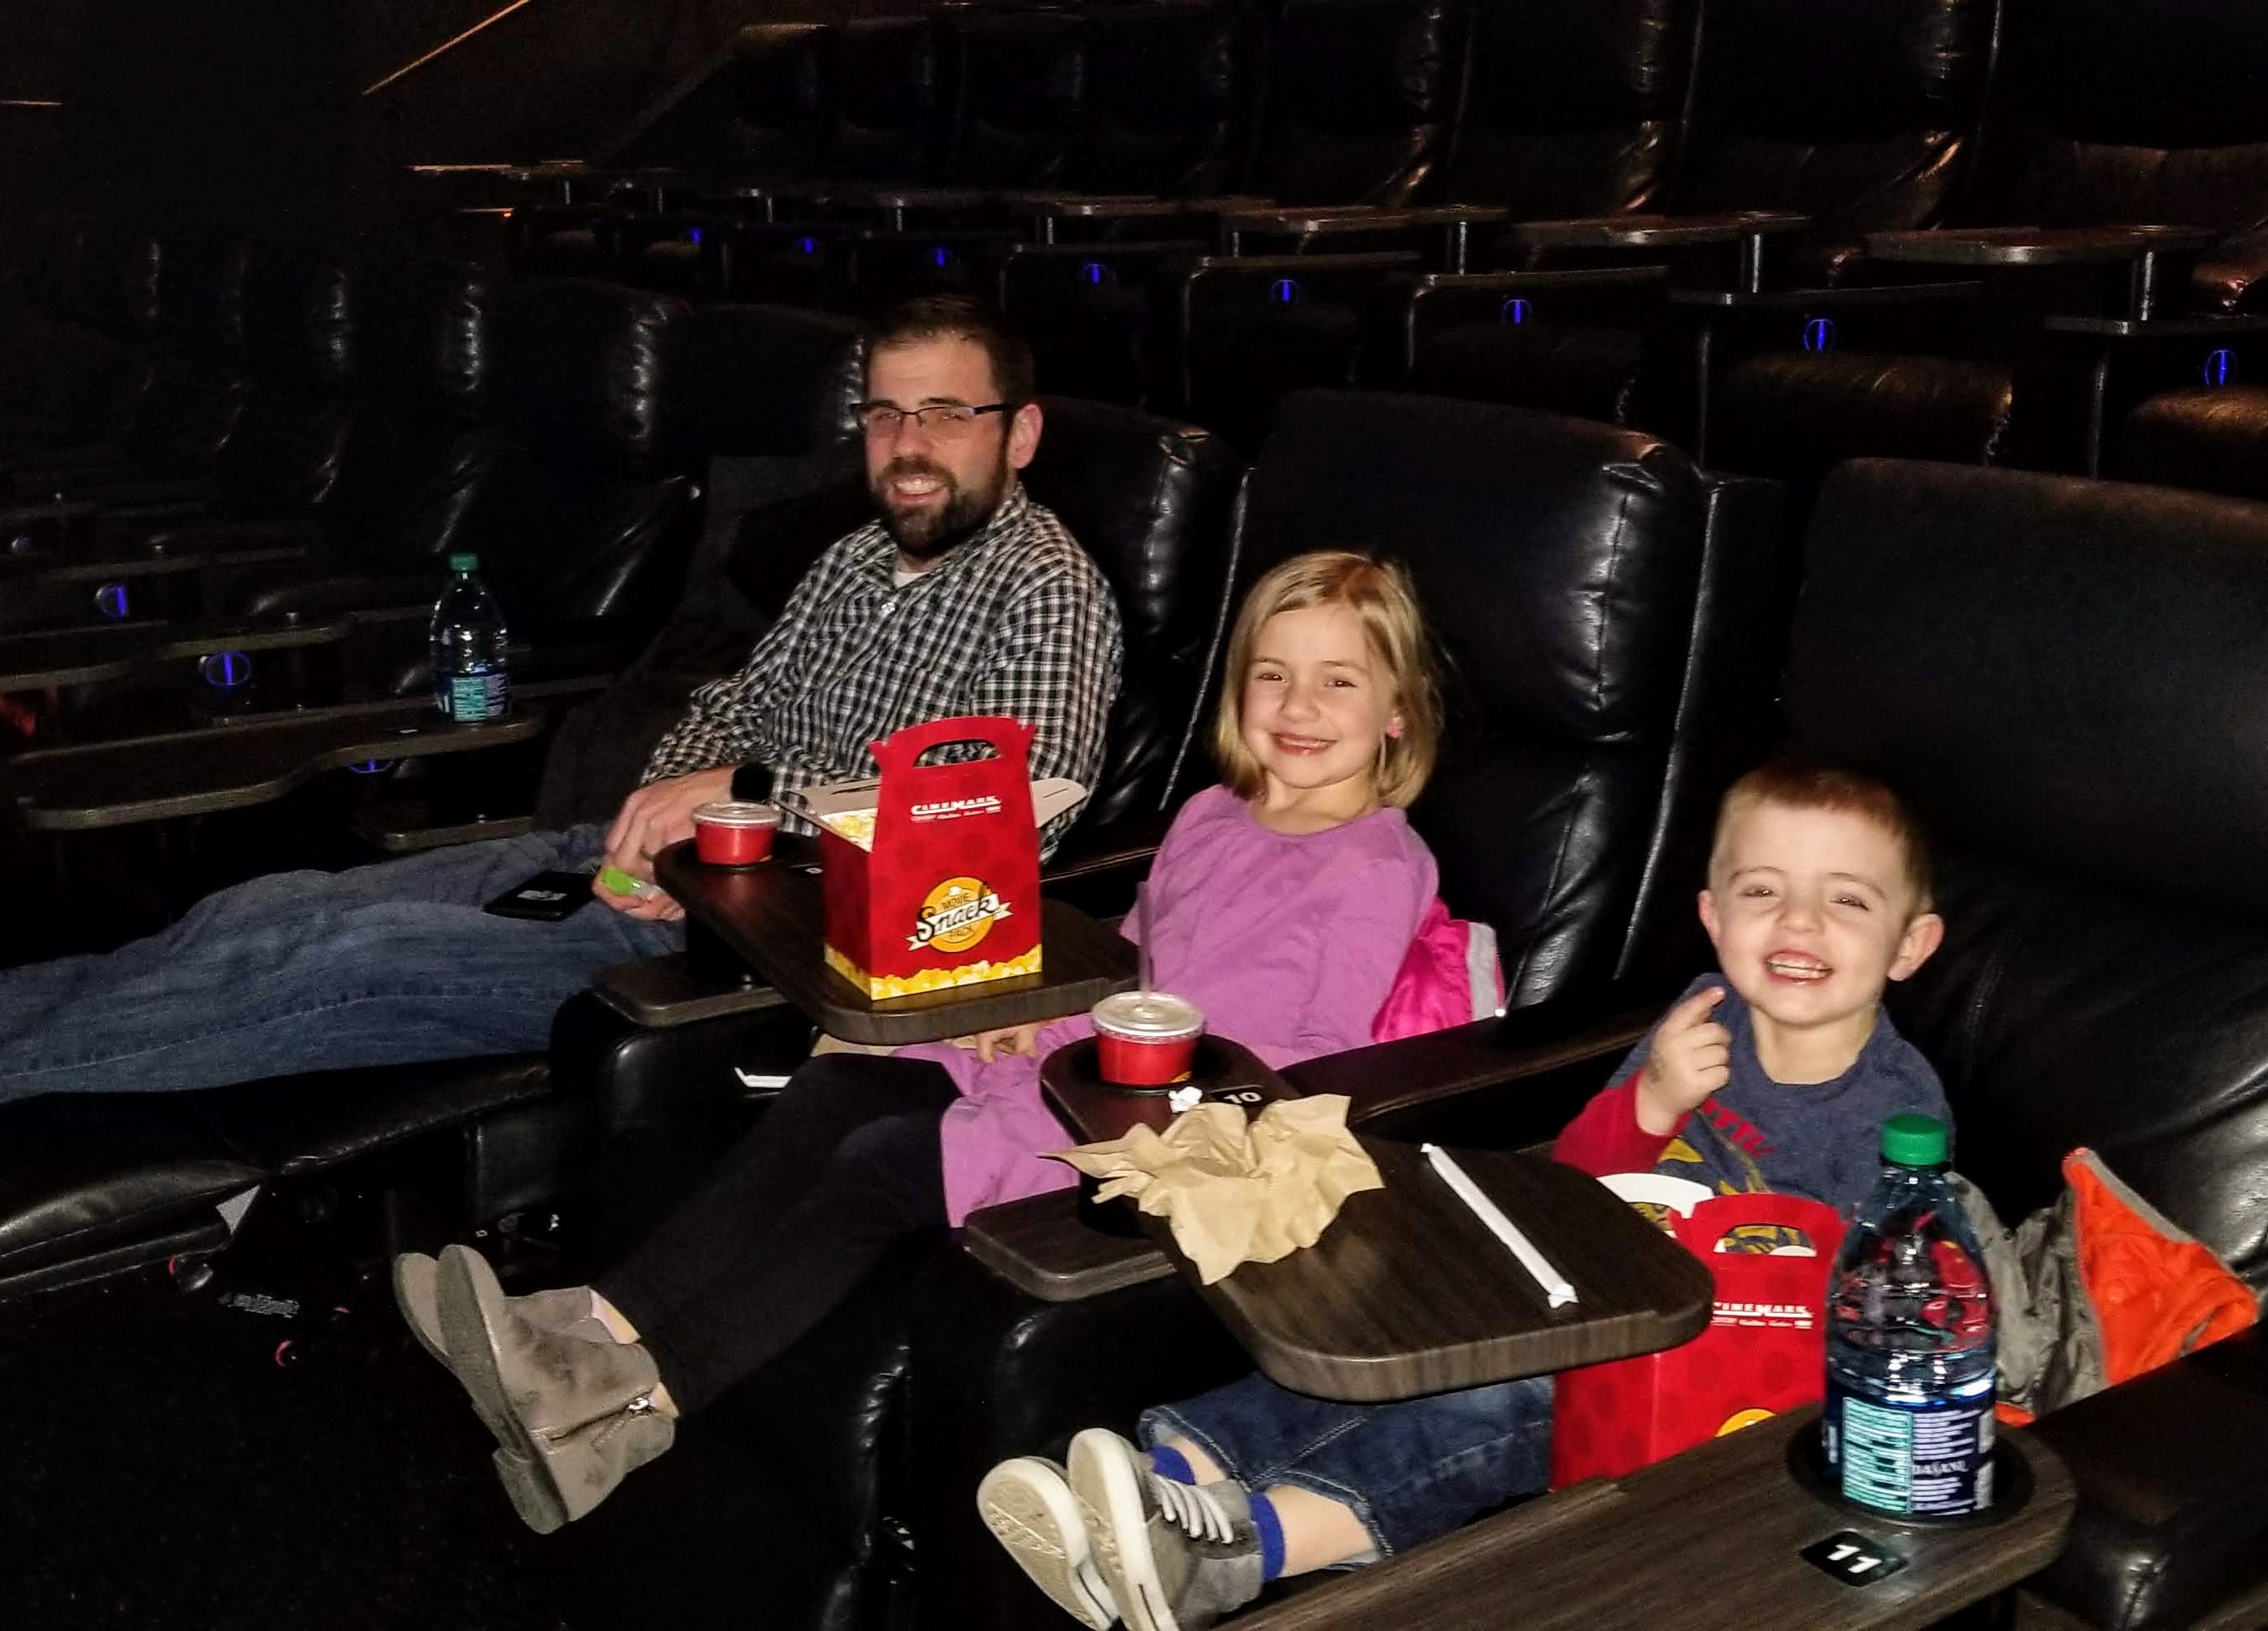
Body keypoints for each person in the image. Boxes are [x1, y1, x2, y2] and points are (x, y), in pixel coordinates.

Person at [395, 549, 1450, 1534]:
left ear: (1399, 712)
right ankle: (583, 1325)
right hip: (1079, 1065)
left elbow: (1309, 1057)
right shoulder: (1214, 816)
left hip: (1169, 1138)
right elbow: (1138, 947)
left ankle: (629, 1409)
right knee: (838, 1090)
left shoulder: (1374, 866)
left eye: (1339, 683)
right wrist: (1038, 1005)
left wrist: (1110, 1040)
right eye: (1272, 675)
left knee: (883, 1163)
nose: (1298, 709)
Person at [0, 295, 1122, 1100]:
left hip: (784, 946)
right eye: (884, 414)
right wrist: (668, 811)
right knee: (272, 906)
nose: (907, 446)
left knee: (328, 959)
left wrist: (744, 802)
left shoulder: (1047, 592)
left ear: (1018, 432)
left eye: (945, 413)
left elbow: (998, 816)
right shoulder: (854, 558)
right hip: (660, 874)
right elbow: (737, 701)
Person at [979, 761, 1951, 1631]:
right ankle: (1166, 1486)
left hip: (1696, 1373)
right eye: (1762, 891)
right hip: (1585, 1282)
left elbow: (1876, 1320)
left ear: (1910, 945)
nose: (1797, 925)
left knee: (1496, 1405)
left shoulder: (1892, 1119)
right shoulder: (1701, 1011)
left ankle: (1241, 1553)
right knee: (1411, 1341)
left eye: (1846, 903)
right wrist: (1652, 1099)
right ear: (1713, 915)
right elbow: (1581, 1170)